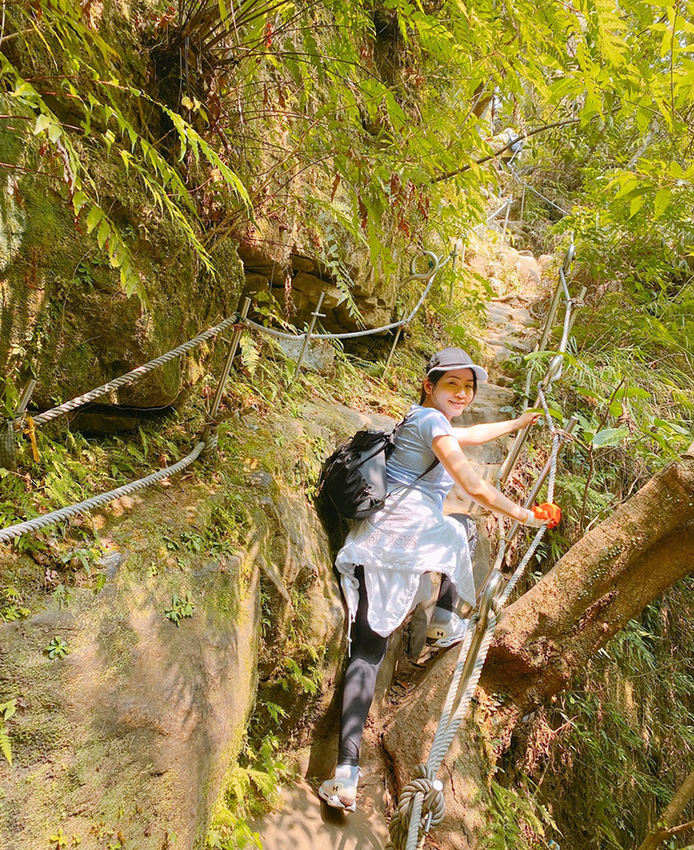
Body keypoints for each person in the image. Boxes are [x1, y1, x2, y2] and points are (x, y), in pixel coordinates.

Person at [318, 347, 560, 812]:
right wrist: (525, 515)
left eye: (469, 387)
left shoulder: (425, 421)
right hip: (404, 537)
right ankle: (444, 622)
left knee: (367, 652)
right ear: (429, 385)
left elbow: (466, 435)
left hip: (380, 535)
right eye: (453, 384)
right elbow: (470, 484)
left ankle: (345, 773)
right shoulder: (432, 424)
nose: (464, 393)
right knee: (460, 529)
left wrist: (515, 424)